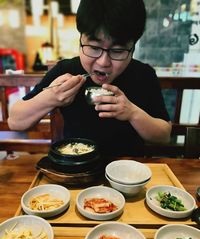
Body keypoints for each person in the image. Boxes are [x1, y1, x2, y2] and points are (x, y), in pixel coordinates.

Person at [8, 0, 171, 156]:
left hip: (128, 171)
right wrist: (51, 98)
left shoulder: (143, 75)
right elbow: (15, 122)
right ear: (80, 40)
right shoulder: (66, 70)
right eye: (93, 48)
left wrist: (132, 113)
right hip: (75, 166)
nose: (103, 62)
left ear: (133, 48)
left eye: (117, 51)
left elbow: (164, 136)